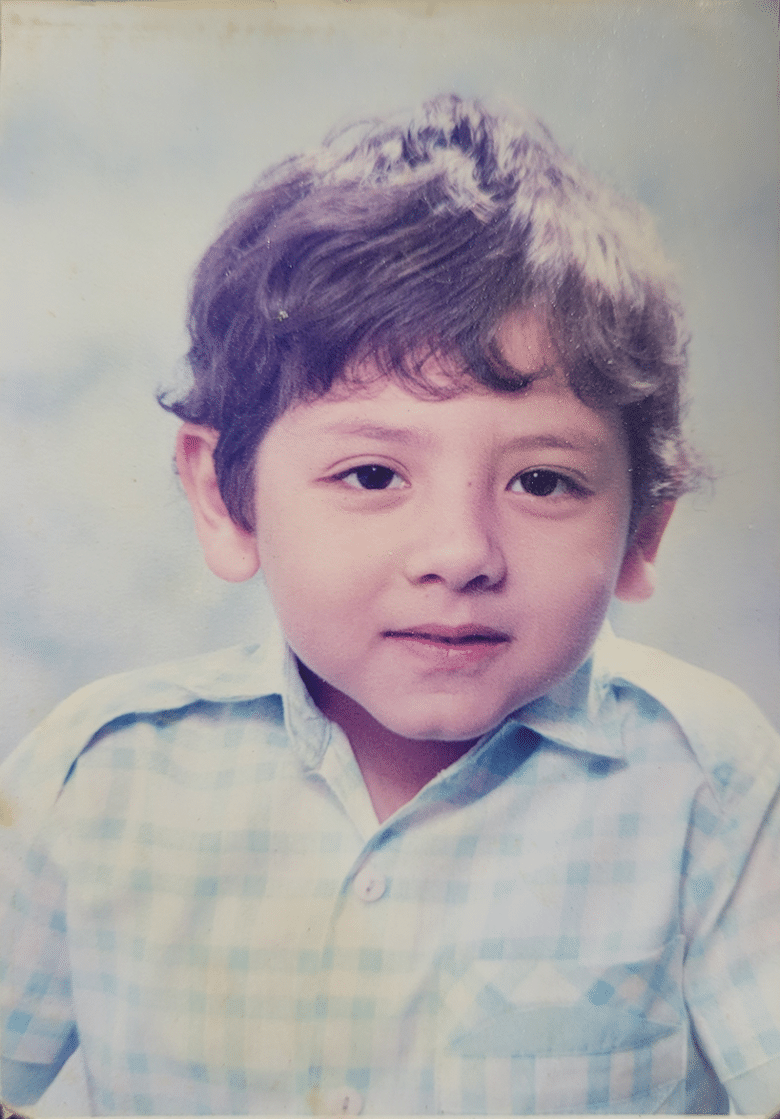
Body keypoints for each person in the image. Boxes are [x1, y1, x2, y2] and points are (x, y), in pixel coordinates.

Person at [1, 95, 778, 1117]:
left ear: (644, 528)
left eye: (542, 482)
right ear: (222, 495)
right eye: (371, 475)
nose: (459, 554)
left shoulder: (703, 784)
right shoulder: (97, 778)